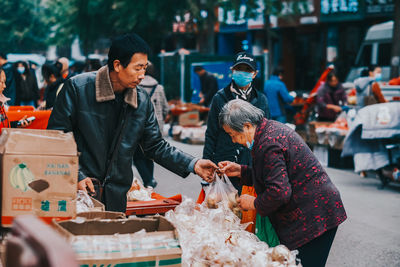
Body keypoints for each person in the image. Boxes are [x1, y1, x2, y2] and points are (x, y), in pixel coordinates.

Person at [47, 33, 217, 212]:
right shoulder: (77, 89)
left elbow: (155, 146)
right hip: (78, 192)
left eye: (144, 68)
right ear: (118, 65)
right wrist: (77, 175)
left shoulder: (141, 100)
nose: (142, 75)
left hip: (116, 196)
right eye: (137, 68)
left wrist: (193, 164)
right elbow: (56, 137)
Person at [218, 99, 347, 267]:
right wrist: (241, 171)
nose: (234, 141)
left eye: (233, 135)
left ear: (248, 126)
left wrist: (254, 203)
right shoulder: (267, 131)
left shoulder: (269, 143)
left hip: (314, 215)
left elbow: (279, 192)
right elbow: (272, 174)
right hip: (313, 210)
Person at [203, 52, 269, 192]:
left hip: (250, 165)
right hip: (224, 163)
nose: (243, 73)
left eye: (247, 70)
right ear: (232, 70)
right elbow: (211, 134)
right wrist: (206, 164)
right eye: (239, 69)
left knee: (247, 208)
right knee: (224, 208)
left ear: (255, 74)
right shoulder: (220, 98)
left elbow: (266, 135)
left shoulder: (261, 99)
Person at [133, 62, 170, 188]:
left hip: (138, 126)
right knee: (150, 154)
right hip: (156, 126)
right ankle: (149, 181)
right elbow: (165, 108)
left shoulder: (135, 87)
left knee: (137, 155)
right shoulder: (159, 87)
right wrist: (161, 120)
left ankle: (148, 180)